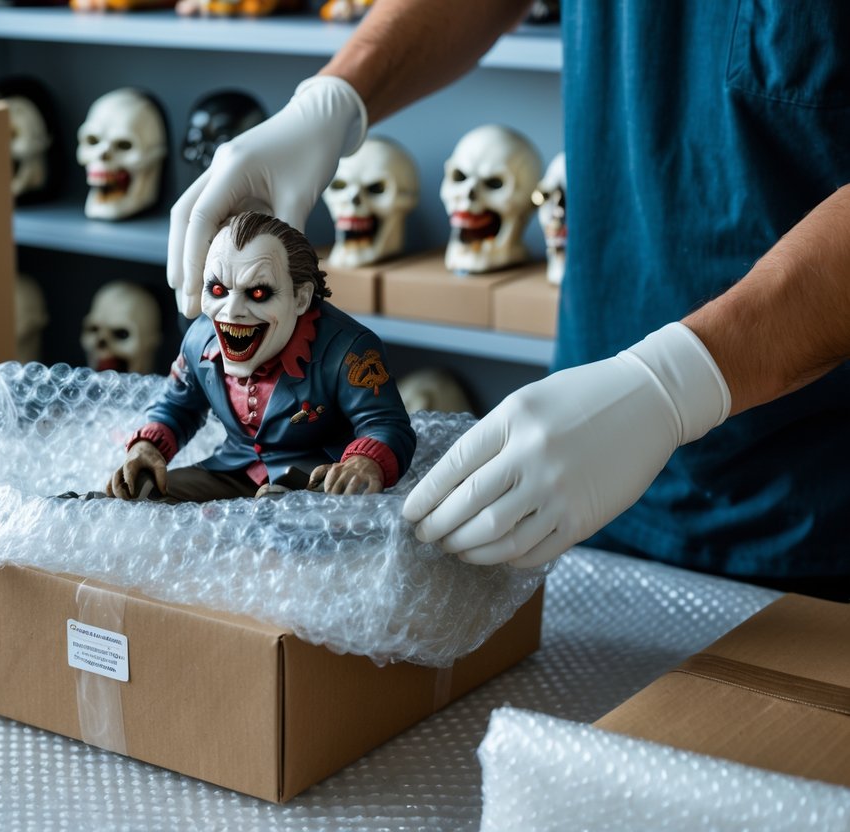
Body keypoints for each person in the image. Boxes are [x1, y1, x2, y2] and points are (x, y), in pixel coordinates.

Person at [165, 0, 850, 597]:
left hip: (812, 503)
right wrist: (335, 98)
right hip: (580, 458)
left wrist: (677, 383)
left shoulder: (342, 359)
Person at [110, 210, 416, 502]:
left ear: (301, 298)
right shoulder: (200, 340)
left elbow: (386, 424)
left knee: (282, 519)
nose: (232, 311)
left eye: (258, 293)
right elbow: (177, 406)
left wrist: (364, 462)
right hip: (232, 469)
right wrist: (147, 446)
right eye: (217, 290)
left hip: (312, 481)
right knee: (142, 496)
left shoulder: (350, 350)